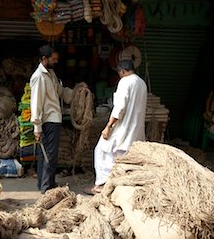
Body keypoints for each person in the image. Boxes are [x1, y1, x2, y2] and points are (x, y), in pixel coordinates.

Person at [85, 59, 147, 195]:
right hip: (135, 130)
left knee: (101, 151)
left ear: (122, 71)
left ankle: (102, 185)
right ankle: (118, 186)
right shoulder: (141, 83)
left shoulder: (125, 82)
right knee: (124, 159)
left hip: (123, 129)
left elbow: (120, 107)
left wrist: (108, 126)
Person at [30, 45, 73, 194]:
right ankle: (47, 188)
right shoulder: (39, 77)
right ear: (44, 59)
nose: (56, 61)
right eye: (53, 59)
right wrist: (37, 127)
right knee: (49, 155)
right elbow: (36, 103)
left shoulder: (51, 74)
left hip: (53, 119)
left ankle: (44, 183)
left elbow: (60, 92)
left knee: (46, 154)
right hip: (48, 120)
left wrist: (76, 93)